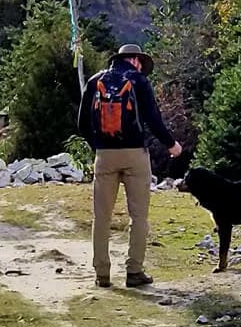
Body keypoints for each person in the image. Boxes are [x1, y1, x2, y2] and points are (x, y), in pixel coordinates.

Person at [77, 43, 182, 288]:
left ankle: (102, 274)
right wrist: (171, 145)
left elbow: (82, 124)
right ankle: (134, 272)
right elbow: (153, 119)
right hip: (135, 154)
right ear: (135, 60)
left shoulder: (95, 81)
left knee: (101, 216)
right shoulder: (139, 81)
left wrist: (99, 146)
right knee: (139, 216)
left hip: (104, 155)